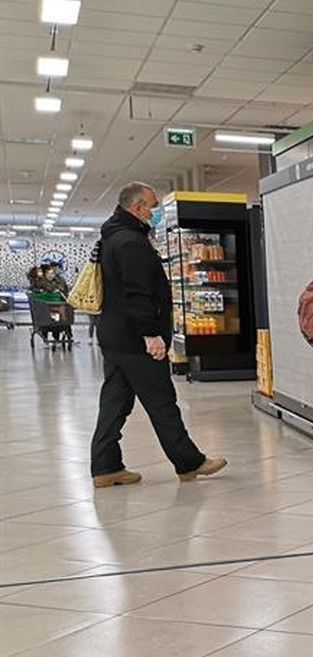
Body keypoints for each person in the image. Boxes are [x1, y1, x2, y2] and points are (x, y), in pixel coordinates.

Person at [89, 182, 226, 488]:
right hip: (135, 339)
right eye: (153, 206)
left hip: (114, 336)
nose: (156, 212)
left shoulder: (111, 238)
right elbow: (138, 294)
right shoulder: (131, 243)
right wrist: (151, 334)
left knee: (115, 401)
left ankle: (105, 465)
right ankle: (189, 463)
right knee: (162, 401)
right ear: (138, 208)